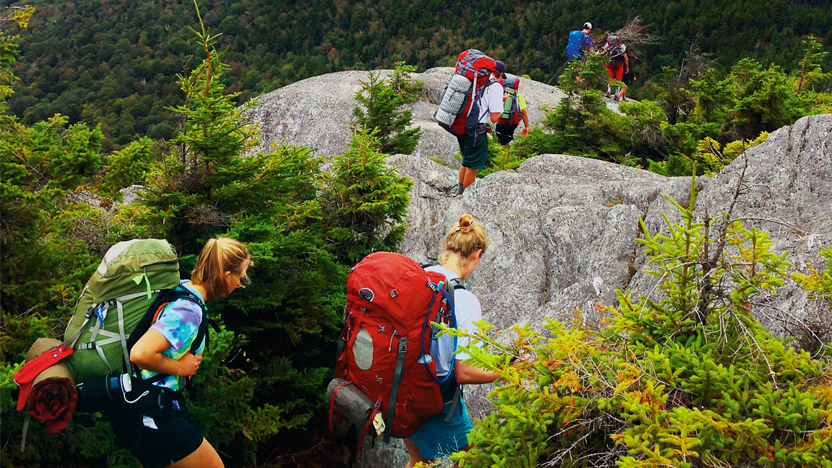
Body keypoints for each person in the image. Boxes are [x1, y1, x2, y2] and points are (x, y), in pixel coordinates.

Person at [122, 237, 252, 468]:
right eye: (240, 278)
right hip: (156, 410)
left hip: (143, 407)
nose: (239, 284)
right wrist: (181, 368)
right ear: (227, 276)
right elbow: (140, 354)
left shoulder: (183, 288)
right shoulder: (188, 310)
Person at [404, 214, 522, 467]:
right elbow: (464, 372)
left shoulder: (419, 275)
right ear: (477, 255)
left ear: (448, 247)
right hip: (432, 398)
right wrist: (507, 371)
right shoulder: (463, 299)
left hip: (399, 390)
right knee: (473, 457)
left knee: (419, 460)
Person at [457, 61, 504, 195]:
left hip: (463, 124)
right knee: (473, 166)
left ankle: (459, 191)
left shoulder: (477, 79)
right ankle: (464, 197)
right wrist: (501, 102)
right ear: (500, 74)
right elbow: (494, 118)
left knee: (466, 159)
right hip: (477, 130)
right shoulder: (496, 87)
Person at [494, 72, 530, 146]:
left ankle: (498, 152)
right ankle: (507, 152)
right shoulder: (518, 96)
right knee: (508, 138)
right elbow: (524, 112)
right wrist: (526, 126)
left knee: (499, 139)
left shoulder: (500, 93)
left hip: (501, 121)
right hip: (513, 122)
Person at [602, 35, 628, 101]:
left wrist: (604, 64)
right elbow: (625, 58)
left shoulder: (607, 46)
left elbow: (604, 54)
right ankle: (616, 95)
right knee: (618, 80)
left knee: (610, 79)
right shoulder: (621, 46)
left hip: (610, 65)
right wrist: (627, 67)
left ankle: (608, 92)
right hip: (619, 66)